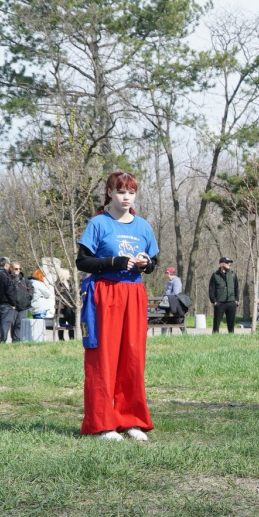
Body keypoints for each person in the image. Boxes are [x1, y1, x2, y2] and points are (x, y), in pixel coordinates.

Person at [75, 170, 158, 441]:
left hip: (134, 294)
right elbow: (83, 262)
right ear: (109, 192)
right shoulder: (98, 223)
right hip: (105, 294)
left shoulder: (143, 226)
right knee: (104, 358)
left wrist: (147, 263)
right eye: (121, 191)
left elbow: (154, 263)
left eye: (131, 192)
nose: (126, 197)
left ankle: (131, 420)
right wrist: (115, 262)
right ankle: (102, 424)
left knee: (133, 358)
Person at [0, 257, 21, 343]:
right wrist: (13, 303)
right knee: (5, 323)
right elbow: (9, 291)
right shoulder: (5, 276)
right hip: (6, 303)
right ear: (6, 265)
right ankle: (3, 340)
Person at [208, 257, 239, 333]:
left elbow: (236, 288)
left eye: (230, 262)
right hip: (219, 302)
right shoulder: (215, 275)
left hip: (231, 301)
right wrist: (214, 301)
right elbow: (211, 289)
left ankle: (231, 335)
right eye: (227, 262)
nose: (229, 264)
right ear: (221, 264)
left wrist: (236, 300)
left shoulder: (233, 274)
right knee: (216, 322)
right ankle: (215, 336)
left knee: (231, 322)